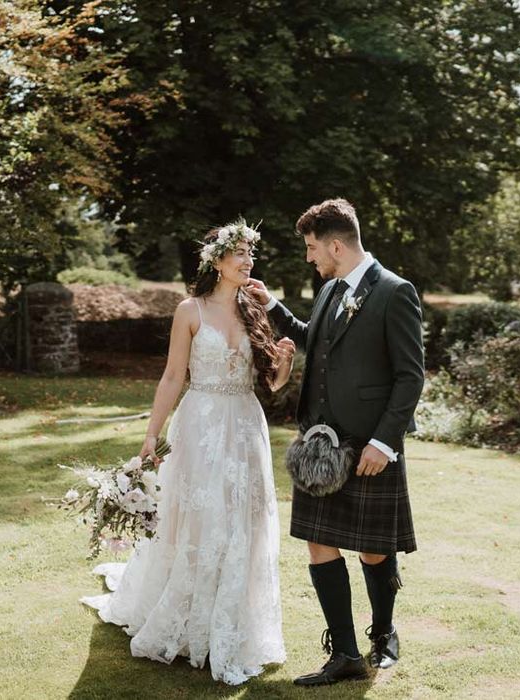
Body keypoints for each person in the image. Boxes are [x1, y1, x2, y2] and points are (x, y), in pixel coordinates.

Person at [81, 221, 295, 686]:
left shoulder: (256, 307)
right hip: (200, 424)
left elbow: (272, 386)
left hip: (245, 426)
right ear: (216, 261)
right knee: (199, 518)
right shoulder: (189, 310)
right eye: (238, 253)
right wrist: (150, 435)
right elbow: (173, 377)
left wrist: (285, 362)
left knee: (245, 521)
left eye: (250, 254)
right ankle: (184, 619)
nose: (247, 261)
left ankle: (233, 622)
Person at [248, 198, 425, 687]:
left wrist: (384, 443)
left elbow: (411, 377)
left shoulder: (395, 291)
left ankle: (384, 634)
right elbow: (316, 340)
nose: (309, 257)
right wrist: (272, 307)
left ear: (336, 244)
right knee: (318, 541)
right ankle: (345, 654)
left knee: (372, 549)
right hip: (320, 445)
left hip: (368, 444)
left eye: (311, 248)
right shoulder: (329, 289)